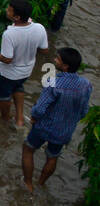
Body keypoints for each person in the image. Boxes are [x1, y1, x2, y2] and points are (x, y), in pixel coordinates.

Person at [22, 47, 92, 193]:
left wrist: (34, 118)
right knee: (52, 157)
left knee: (28, 150)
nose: (55, 60)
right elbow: (84, 111)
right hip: (64, 131)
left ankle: (28, 184)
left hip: (43, 127)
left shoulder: (53, 82)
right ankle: (41, 184)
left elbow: (40, 109)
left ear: (65, 66)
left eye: (58, 59)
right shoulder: (86, 85)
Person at [0, 0, 49, 127]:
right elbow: (44, 50)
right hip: (26, 71)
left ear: (17, 17)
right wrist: (29, 47)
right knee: (18, 87)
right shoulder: (39, 28)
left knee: (4, 96)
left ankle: (5, 119)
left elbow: (7, 59)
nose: (6, 11)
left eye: (9, 10)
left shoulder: (9, 34)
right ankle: (20, 118)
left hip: (8, 74)